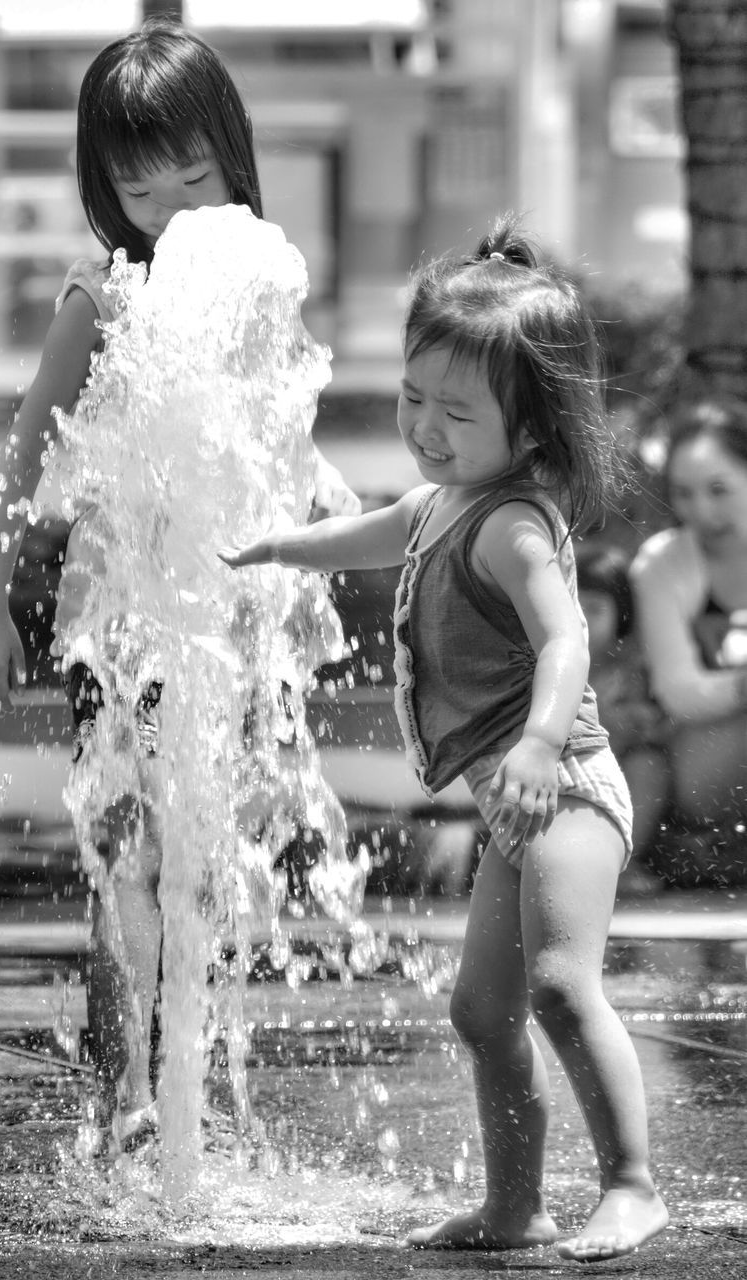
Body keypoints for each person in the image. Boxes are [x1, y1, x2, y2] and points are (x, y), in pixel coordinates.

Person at [221, 215, 668, 1261]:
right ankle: (515, 1208)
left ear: (531, 432)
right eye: (412, 396)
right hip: (517, 803)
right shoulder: (447, 496)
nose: (423, 425)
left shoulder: (512, 523)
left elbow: (563, 641)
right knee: (480, 1010)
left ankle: (631, 1183)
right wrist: (284, 544)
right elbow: (381, 527)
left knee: (559, 987)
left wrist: (534, 746)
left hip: (565, 791)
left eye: (454, 412)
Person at [0, 16, 357, 1153]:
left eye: (199, 176)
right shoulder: (106, 294)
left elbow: (280, 456)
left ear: (235, 156)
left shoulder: (256, 280)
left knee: (202, 856)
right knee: (126, 845)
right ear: (104, 191)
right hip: (120, 620)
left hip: (224, 622)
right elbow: (22, 453)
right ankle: (128, 1087)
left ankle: (176, 1080)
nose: (178, 211)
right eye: (145, 194)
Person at [630, 399, 747, 882]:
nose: (701, 510)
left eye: (718, 490)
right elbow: (679, 693)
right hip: (694, 769)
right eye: (684, 493)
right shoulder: (660, 564)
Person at [575, 542, 671, 892]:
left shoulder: (630, 667)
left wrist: (623, 722)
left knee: (650, 767)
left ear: (623, 614)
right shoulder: (550, 664)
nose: (581, 620)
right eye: (573, 607)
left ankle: (620, 864)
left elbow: (650, 725)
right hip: (567, 772)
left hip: (619, 771)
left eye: (595, 609)